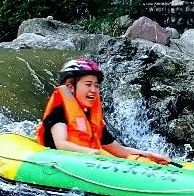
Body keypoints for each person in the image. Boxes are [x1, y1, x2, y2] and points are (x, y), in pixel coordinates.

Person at [36, 58, 170, 164]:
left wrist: (149, 155)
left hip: (86, 161)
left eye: (96, 86)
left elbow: (120, 151)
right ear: (70, 87)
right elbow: (61, 144)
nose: (93, 90)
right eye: (88, 84)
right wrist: (91, 153)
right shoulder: (59, 113)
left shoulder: (92, 121)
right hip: (57, 164)